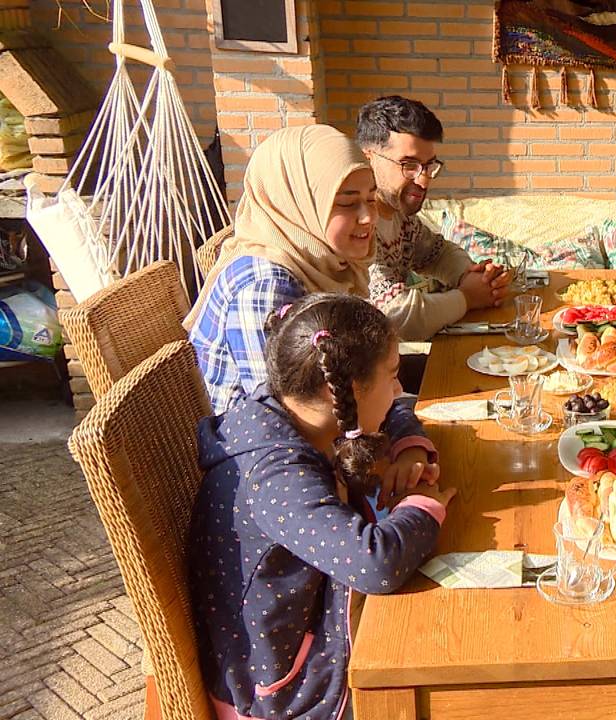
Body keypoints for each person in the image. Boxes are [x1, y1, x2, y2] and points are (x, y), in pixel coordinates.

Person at [189, 293, 456, 720]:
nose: (399, 388)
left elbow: (390, 412)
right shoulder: (274, 477)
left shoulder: (291, 406)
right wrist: (423, 506)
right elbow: (376, 563)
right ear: (348, 389)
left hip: (313, 629)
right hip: (289, 689)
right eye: (391, 375)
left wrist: (409, 450)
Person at [187, 124, 379, 415]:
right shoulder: (264, 288)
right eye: (347, 203)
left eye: (371, 199)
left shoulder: (324, 264)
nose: (367, 218)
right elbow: (288, 414)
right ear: (297, 203)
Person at [357, 95, 510, 341]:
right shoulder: (358, 226)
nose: (424, 180)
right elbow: (399, 318)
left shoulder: (400, 216)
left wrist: (474, 278)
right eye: (409, 165)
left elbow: (437, 253)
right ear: (369, 158)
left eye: (429, 166)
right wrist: (467, 297)